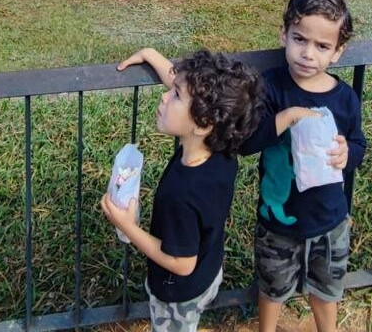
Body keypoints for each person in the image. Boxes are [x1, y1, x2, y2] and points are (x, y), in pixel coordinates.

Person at [101, 47, 264, 332]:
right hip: (209, 270)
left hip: (178, 294)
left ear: (203, 124)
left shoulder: (183, 193)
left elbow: (181, 263)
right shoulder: (222, 148)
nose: (165, 97)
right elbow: (195, 95)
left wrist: (126, 226)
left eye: (175, 95)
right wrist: (151, 55)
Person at [240, 0, 366, 332]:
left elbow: (358, 144)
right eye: (300, 39)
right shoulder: (270, 87)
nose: (308, 53)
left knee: (327, 290)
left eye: (322, 46)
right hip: (277, 223)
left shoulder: (345, 99)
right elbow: (248, 143)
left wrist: (347, 153)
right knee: (272, 288)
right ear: (284, 34)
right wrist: (286, 116)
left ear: (338, 51)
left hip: (330, 220)